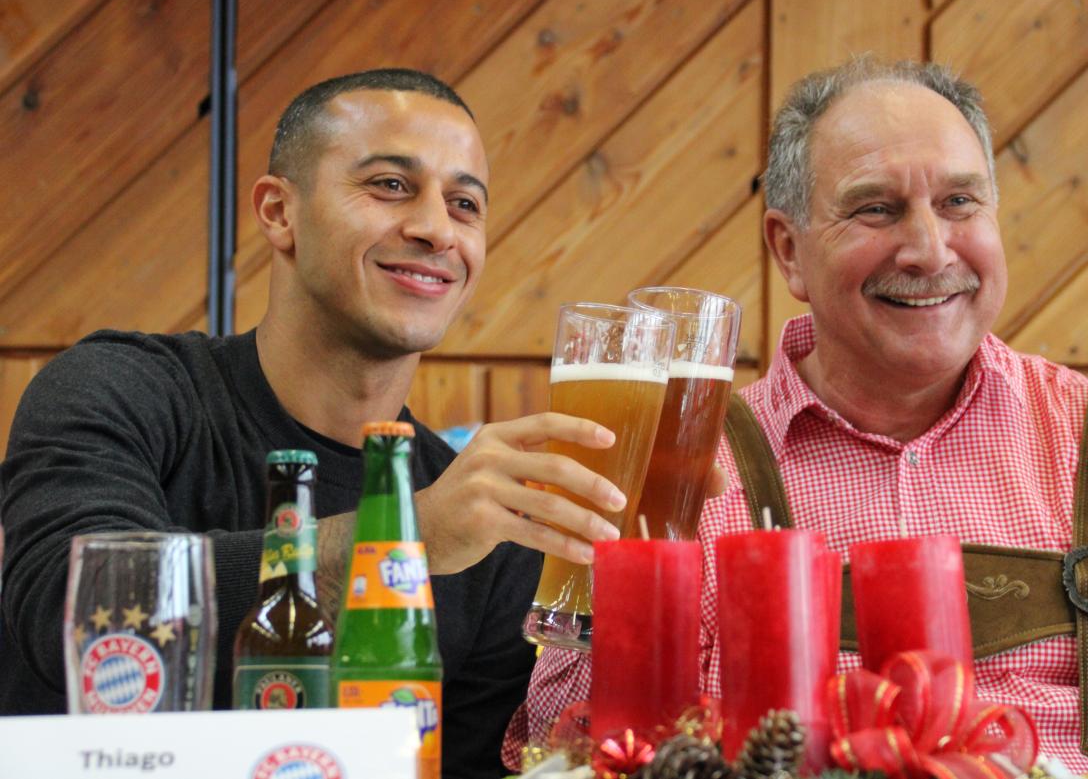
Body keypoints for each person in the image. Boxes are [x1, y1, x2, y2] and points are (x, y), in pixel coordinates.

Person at [0, 69, 631, 779]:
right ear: (279, 212)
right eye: (390, 184)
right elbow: (65, 605)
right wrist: (403, 541)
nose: (435, 229)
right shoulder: (120, 387)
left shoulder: (490, 529)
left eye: (464, 204)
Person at [504, 58, 1088, 776]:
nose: (929, 249)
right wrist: (603, 573)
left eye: (959, 202)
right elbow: (566, 752)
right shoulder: (683, 472)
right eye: (876, 208)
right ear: (789, 250)